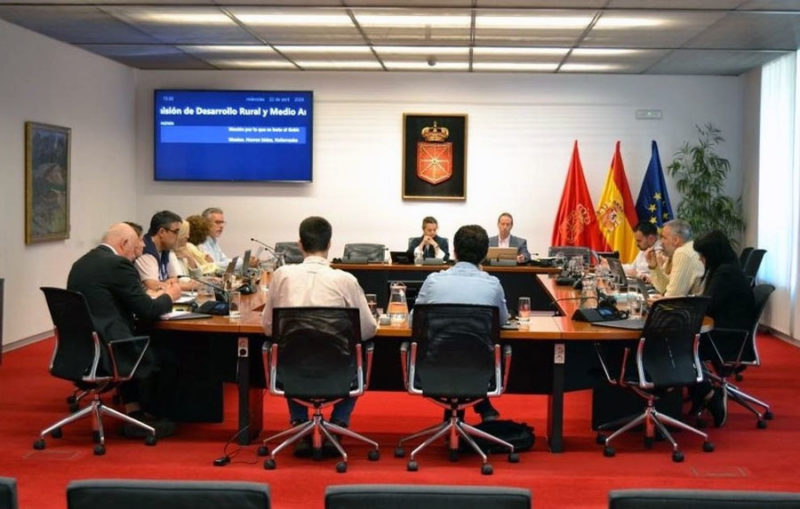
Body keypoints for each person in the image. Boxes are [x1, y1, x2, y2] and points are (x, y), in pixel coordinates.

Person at [261, 216, 378, 455]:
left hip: (291, 370)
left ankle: (300, 423)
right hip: (339, 371)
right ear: (330, 244)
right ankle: (338, 424)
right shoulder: (346, 280)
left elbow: (269, 328)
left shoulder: (281, 276)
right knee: (358, 354)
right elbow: (367, 330)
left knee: (292, 345)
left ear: (300, 244)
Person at [66, 223, 181, 437]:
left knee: (137, 337)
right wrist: (170, 296)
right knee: (170, 352)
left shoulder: (81, 263)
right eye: (136, 247)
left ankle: (134, 410)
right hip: (112, 348)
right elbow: (148, 310)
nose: (138, 252)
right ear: (124, 243)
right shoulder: (117, 264)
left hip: (84, 348)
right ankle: (154, 415)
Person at [414, 224, 509, 423]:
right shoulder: (493, 284)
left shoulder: (433, 281)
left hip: (434, 366)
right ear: (484, 255)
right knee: (469, 350)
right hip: (480, 368)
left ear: (455, 251)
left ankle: (456, 415)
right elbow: (502, 321)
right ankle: (479, 407)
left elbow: (413, 321)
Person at [690, 230, 757, 427]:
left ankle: (708, 394)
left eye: (703, 255)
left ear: (712, 254)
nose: (700, 259)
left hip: (725, 339)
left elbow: (707, 306)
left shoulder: (725, 274)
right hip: (724, 332)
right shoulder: (727, 268)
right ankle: (700, 392)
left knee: (678, 347)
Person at [134, 210, 194, 292]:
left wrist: (169, 283)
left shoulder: (165, 248)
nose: (178, 236)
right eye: (175, 232)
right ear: (162, 232)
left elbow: (174, 278)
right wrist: (189, 286)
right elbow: (153, 286)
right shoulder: (145, 251)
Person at [645, 219, 704, 298]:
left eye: (664, 238)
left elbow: (673, 297)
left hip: (690, 305)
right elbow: (664, 289)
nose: (660, 242)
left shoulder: (683, 252)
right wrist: (654, 267)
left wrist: (659, 300)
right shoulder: (678, 252)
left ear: (676, 240)